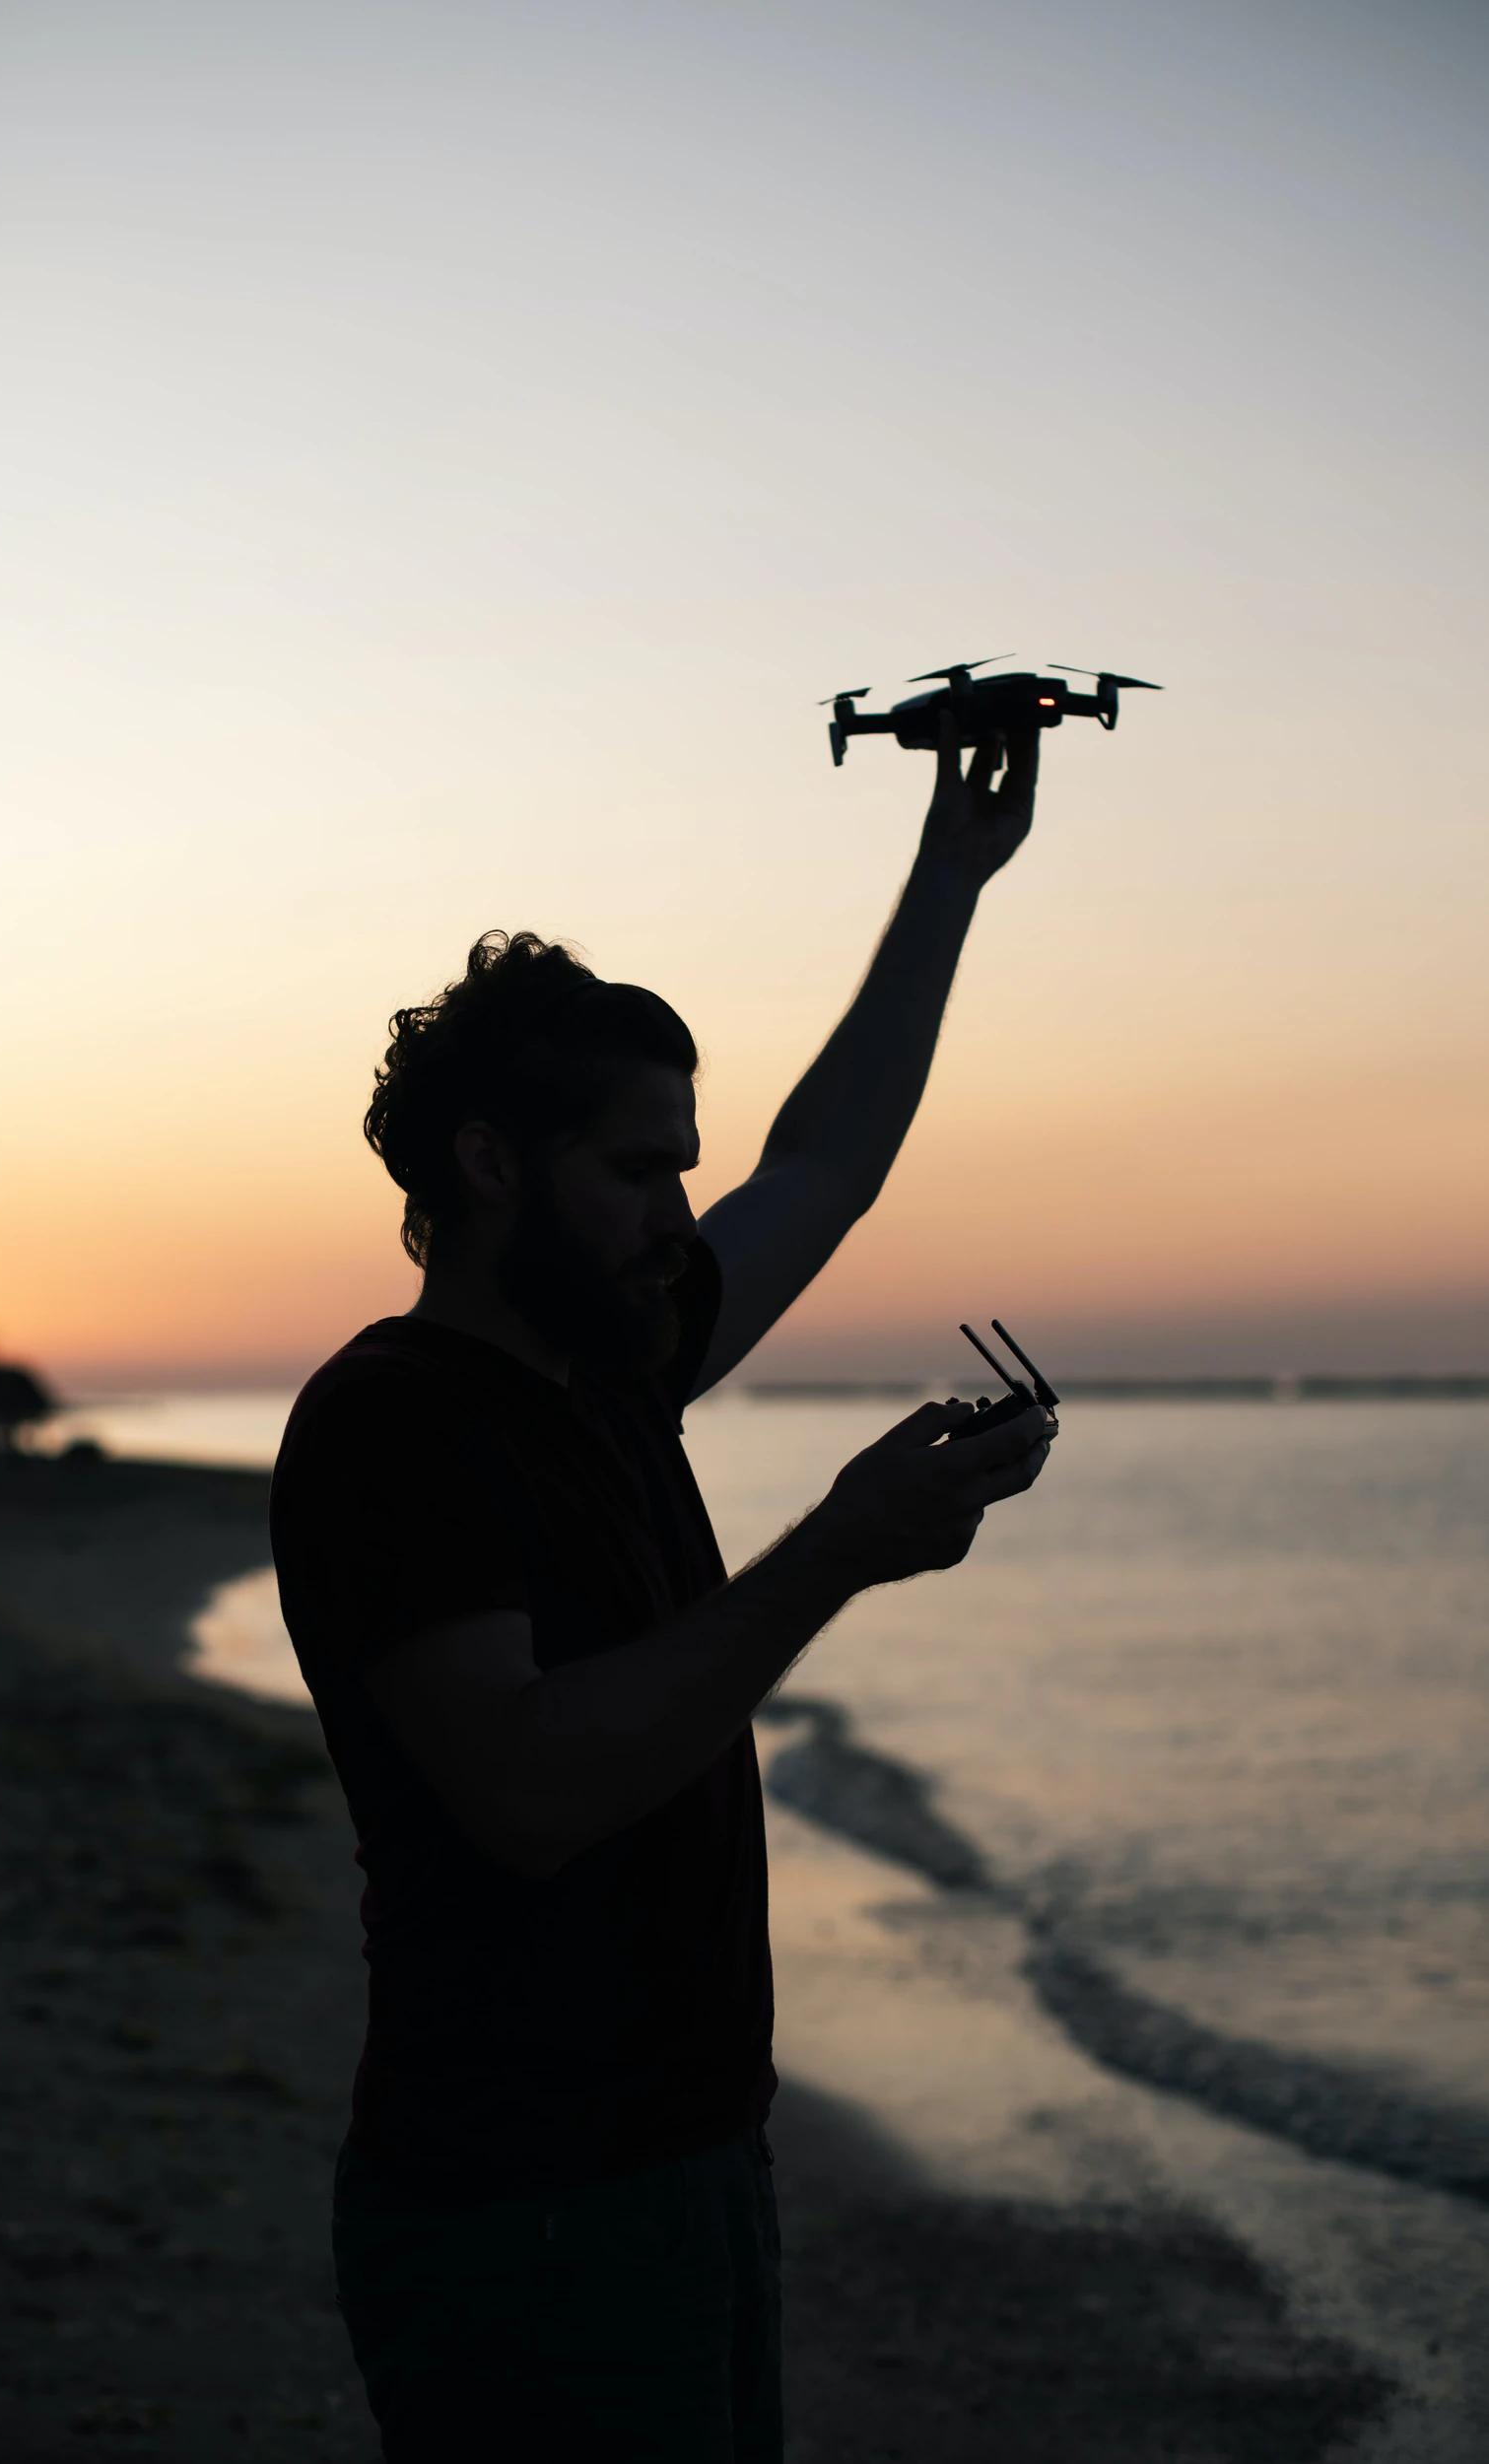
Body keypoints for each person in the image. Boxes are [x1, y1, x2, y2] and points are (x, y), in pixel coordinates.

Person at [267, 714, 1051, 2461]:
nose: (680, 1216)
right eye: (637, 1171)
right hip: (523, 2210)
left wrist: (949, 874)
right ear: (491, 1165)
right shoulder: (391, 1425)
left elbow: (823, 1168)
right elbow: (529, 1787)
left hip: (686, 2166)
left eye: (682, 1168)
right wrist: (837, 1550)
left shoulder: (610, 1370)